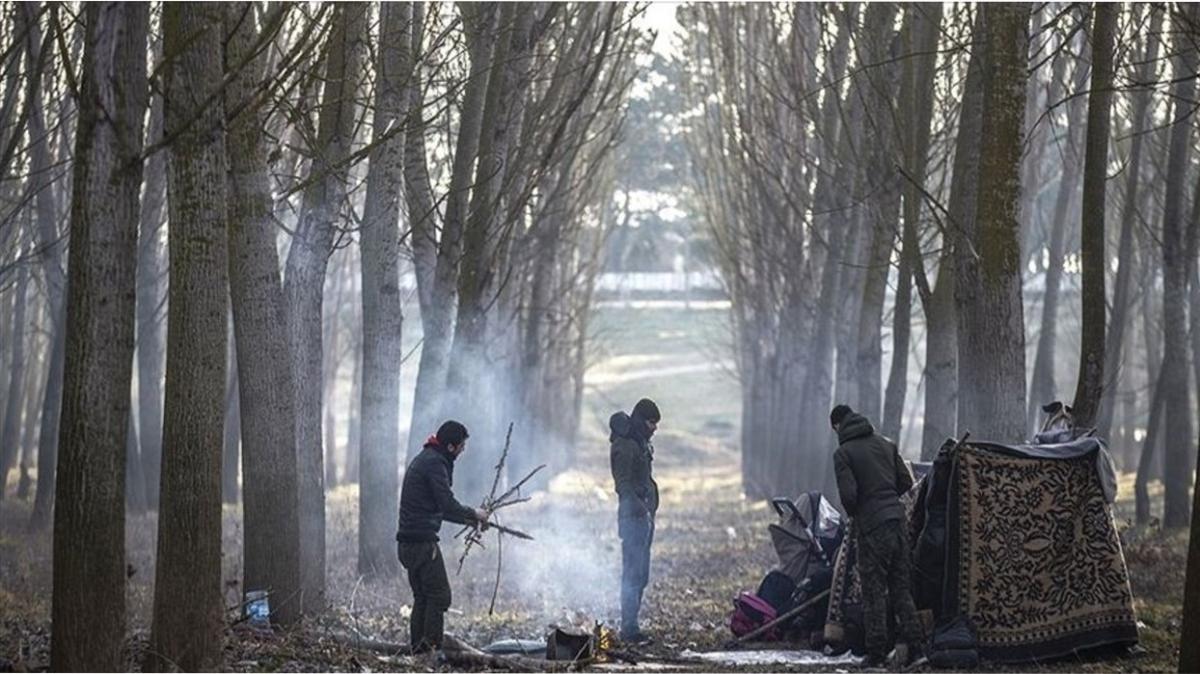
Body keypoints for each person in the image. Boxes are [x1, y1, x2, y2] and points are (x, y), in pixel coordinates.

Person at [829, 404, 924, 668]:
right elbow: (906, 481)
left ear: (837, 426)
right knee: (901, 589)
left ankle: (876, 654)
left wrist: (859, 511)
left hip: (872, 527)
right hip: (897, 521)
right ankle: (916, 650)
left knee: (873, 593)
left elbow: (849, 496)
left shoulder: (843, 454)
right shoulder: (886, 444)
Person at [396, 420, 489, 653]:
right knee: (439, 596)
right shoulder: (435, 463)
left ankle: (419, 652)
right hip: (422, 544)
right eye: (461, 446)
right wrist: (474, 512)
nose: (463, 450)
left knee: (423, 597)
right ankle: (431, 653)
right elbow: (446, 503)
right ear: (450, 446)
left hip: (408, 543)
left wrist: (471, 520)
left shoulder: (429, 458)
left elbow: (440, 508)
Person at [609, 397, 661, 643]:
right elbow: (623, 486)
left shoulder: (640, 443)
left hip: (645, 519)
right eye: (651, 422)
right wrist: (640, 509)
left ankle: (633, 625)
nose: (655, 428)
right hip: (632, 520)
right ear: (642, 421)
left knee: (641, 575)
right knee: (632, 573)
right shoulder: (625, 446)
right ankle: (629, 628)